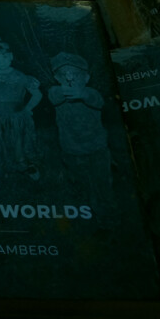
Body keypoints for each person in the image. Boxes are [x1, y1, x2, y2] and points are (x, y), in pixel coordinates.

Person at [47, 52, 113, 211]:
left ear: (87, 78)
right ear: (57, 78)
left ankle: (108, 213)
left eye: (75, 73)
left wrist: (82, 93)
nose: (69, 78)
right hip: (71, 151)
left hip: (97, 149)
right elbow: (54, 96)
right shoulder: (55, 91)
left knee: (103, 184)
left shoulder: (91, 92)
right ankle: (85, 212)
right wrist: (67, 89)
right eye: (63, 74)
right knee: (79, 184)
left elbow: (96, 100)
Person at [0, 34, 41, 180]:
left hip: (16, 118)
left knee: (18, 142)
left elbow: (37, 94)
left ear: (11, 56)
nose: (2, 61)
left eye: (5, 56)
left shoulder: (20, 76)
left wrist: (28, 109)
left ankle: (22, 164)